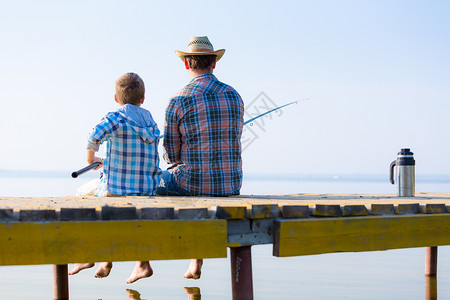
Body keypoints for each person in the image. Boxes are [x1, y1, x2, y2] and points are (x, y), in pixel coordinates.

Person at [157, 36, 244, 279]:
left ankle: (142, 261)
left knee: (151, 183)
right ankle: (196, 261)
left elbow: (171, 155)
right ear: (214, 62)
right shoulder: (234, 95)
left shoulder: (178, 100)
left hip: (191, 182)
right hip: (230, 183)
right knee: (200, 190)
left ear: (186, 64)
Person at [68, 72, 162, 284]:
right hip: (146, 189)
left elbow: (94, 136)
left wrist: (91, 158)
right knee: (133, 218)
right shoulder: (151, 122)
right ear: (143, 99)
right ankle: (142, 263)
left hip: (116, 188)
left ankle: (88, 256)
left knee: (81, 196)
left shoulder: (116, 117)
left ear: (116, 98)